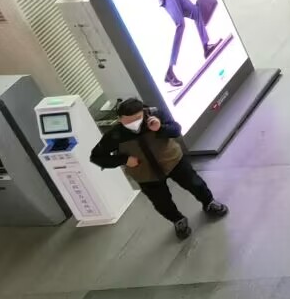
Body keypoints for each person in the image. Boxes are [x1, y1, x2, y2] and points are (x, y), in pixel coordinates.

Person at [90, 98, 229, 239]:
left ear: (143, 112)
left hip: (174, 162)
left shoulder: (156, 116)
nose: (134, 123)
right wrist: (124, 160)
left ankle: (209, 202)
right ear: (120, 119)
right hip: (145, 175)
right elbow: (96, 157)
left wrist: (160, 129)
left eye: (138, 118)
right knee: (161, 202)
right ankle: (177, 220)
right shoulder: (114, 136)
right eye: (129, 121)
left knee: (195, 183)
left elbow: (176, 130)